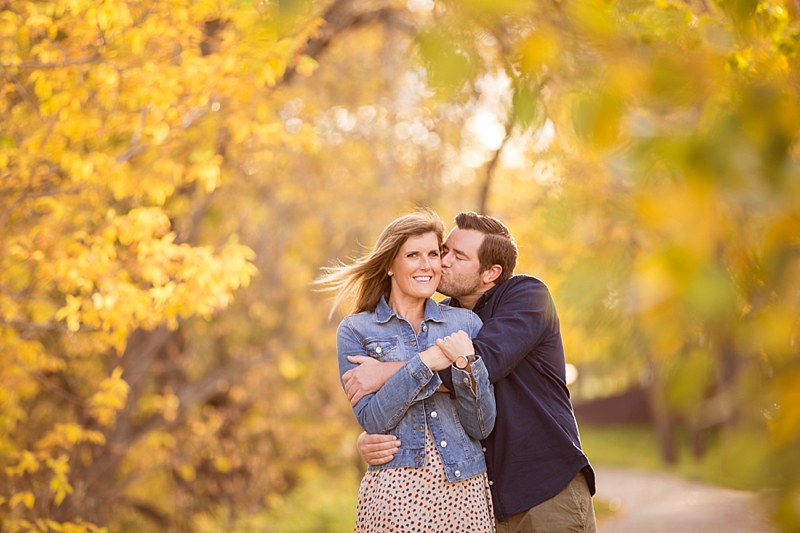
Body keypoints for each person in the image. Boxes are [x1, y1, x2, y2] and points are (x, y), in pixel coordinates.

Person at [343, 211, 597, 533]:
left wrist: (385, 373)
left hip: (545, 492)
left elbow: (480, 364)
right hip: (482, 504)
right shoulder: (443, 318)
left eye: (457, 256)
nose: (442, 262)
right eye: (443, 250)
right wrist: (377, 437)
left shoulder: (527, 296)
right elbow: (424, 404)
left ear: (491, 272)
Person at [316, 209, 498, 533]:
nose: (427, 265)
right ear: (389, 264)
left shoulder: (466, 323)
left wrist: (464, 365)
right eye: (413, 255)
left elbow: (481, 424)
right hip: (395, 490)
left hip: (463, 486)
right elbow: (373, 420)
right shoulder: (355, 330)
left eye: (433, 253)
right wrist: (426, 362)